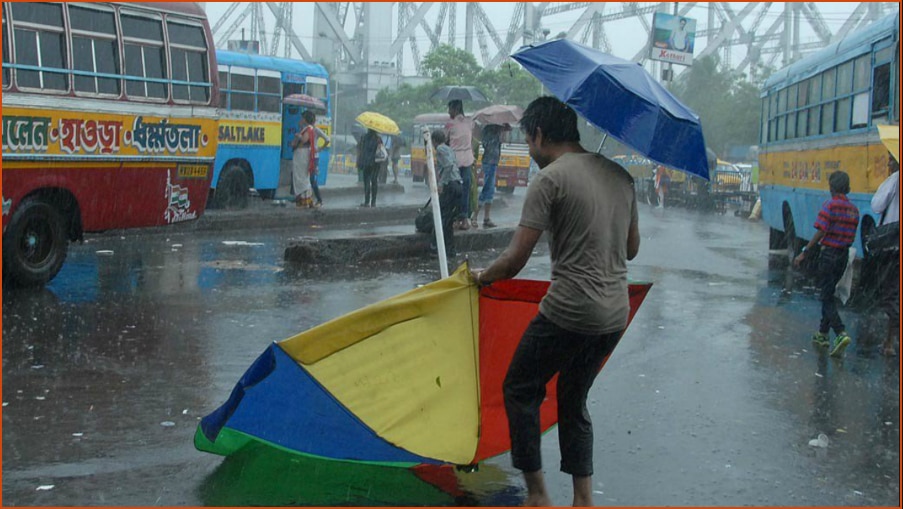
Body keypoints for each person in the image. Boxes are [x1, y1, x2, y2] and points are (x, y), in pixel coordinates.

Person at [470, 97, 640, 507]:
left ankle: (537, 494)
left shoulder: (550, 180)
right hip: (614, 314)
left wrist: (481, 277)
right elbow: (631, 249)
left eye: (528, 142)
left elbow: (514, 259)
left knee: (520, 387)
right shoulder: (621, 177)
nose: (529, 153)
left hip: (570, 310)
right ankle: (583, 500)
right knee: (572, 396)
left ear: (540, 136)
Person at [793, 170, 860, 358]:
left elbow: (821, 231)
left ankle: (840, 332)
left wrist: (804, 252)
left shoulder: (829, 205)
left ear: (832, 186)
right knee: (829, 293)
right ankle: (822, 334)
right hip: (843, 256)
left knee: (825, 296)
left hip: (829, 255)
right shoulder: (854, 209)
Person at [870, 152, 899, 356]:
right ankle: (890, 340)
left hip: (893, 245)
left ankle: (890, 341)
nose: (888, 162)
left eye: (891, 159)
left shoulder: (895, 179)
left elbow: (877, 205)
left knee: (890, 293)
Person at [430, 129, 463, 257]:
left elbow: (448, 166)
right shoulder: (449, 149)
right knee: (448, 219)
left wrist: (441, 184)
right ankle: (450, 250)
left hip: (450, 185)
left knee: (442, 217)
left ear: (434, 141)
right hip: (458, 185)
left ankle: (436, 247)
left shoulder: (440, 150)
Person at [445, 99, 475, 230]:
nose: (448, 112)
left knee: (454, 190)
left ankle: (455, 218)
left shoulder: (449, 125)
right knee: (465, 190)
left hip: (454, 161)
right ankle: (465, 218)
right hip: (468, 160)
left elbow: (444, 141)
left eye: (450, 109)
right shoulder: (470, 122)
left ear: (455, 109)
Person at [472, 123, 508, 228]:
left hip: (493, 163)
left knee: (490, 191)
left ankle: (486, 218)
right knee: (487, 189)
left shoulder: (498, 131)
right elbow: (486, 144)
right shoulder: (488, 131)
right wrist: (498, 137)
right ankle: (475, 216)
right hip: (488, 162)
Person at [304, 111, 330, 208]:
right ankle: (308, 200)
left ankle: (319, 199)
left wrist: (319, 148)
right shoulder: (306, 130)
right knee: (306, 179)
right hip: (307, 156)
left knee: (312, 179)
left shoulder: (316, 130)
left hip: (314, 158)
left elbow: (327, 139)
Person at [291, 113, 317, 208]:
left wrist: (298, 136)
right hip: (301, 154)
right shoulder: (306, 128)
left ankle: (305, 200)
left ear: (305, 119)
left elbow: (304, 140)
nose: (300, 119)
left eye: (302, 118)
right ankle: (304, 200)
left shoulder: (308, 129)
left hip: (302, 154)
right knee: (301, 176)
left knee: (302, 177)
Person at [357, 128, 382, 207]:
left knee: (366, 182)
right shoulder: (378, 139)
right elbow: (380, 151)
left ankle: (366, 201)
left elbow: (360, 149)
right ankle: (373, 202)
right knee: (374, 182)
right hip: (375, 163)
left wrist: (359, 161)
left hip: (366, 162)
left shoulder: (363, 137)